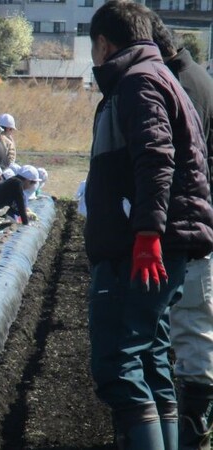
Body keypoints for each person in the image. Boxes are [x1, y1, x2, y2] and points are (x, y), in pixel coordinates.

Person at [85, 2, 213, 449]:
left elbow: (157, 159)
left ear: (104, 43)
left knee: (119, 362)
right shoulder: (161, 77)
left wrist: (146, 236)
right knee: (152, 358)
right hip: (156, 244)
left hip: (137, 249)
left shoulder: (138, 83)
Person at [151, 13, 213, 450]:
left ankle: (195, 422)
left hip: (193, 226)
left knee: (192, 319)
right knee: (191, 318)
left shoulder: (182, 87)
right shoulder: (194, 79)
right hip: (198, 221)